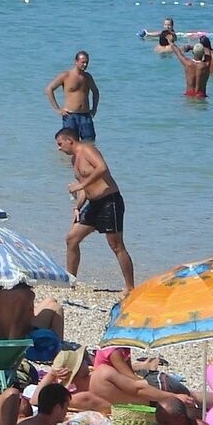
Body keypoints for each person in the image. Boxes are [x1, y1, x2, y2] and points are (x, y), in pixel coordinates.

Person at [56, 127, 136, 291]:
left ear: (70, 140)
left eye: (60, 144)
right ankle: (70, 282)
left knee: (116, 245)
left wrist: (82, 184)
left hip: (109, 201)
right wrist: (77, 207)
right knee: (71, 239)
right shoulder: (74, 160)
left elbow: (102, 168)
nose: (58, 148)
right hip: (93, 205)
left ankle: (130, 287)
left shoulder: (87, 149)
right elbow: (85, 190)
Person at [46, 50, 99, 140]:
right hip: (70, 116)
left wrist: (94, 109)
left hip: (85, 116)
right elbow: (49, 89)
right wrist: (57, 109)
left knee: (89, 143)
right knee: (70, 143)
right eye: (83, 62)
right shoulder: (66, 75)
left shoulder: (88, 77)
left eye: (87, 62)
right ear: (76, 61)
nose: (85, 65)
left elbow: (96, 92)